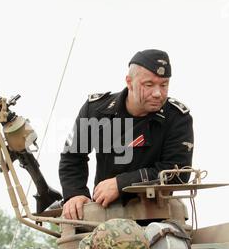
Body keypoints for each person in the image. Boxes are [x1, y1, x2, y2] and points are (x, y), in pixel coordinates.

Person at [59, 49, 194, 220]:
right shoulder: (96, 111)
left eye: (164, 84)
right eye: (149, 85)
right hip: (105, 215)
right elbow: (72, 157)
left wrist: (122, 183)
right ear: (129, 82)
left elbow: (178, 173)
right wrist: (75, 194)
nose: (158, 93)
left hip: (157, 217)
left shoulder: (176, 118)